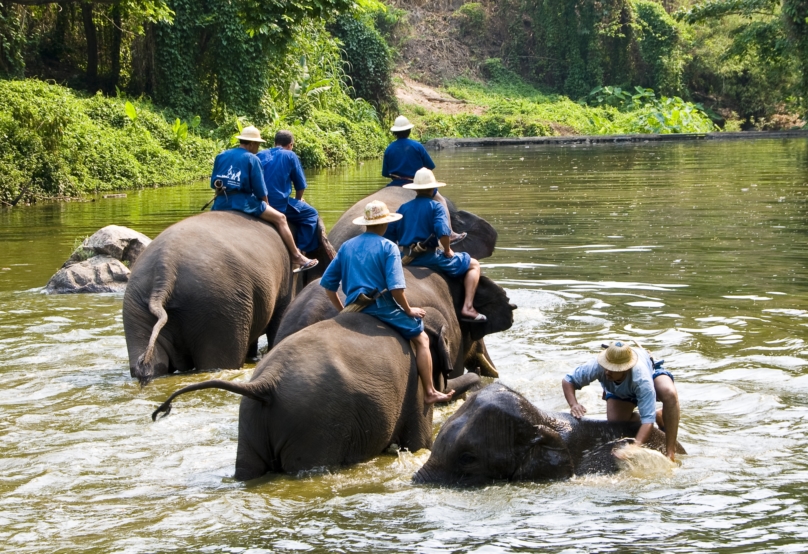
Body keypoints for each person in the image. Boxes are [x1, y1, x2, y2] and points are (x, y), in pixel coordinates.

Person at [320, 200, 454, 405]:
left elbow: (328, 285)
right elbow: (396, 289)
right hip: (382, 308)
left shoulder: (347, 246)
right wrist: (409, 311)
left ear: (366, 223)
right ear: (384, 224)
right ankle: (429, 391)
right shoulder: (388, 247)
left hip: (354, 306)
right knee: (421, 338)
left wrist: (343, 310)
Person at [210, 125, 317, 273]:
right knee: (280, 218)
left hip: (220, 202)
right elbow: (260, 189)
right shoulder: (251, 158)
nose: (258, 148)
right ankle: (296, 256)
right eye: (258, 144)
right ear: (252, 143)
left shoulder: (221, 155)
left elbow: (213, 184)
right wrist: (266, 204)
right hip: (243, 202)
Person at [384, 168, 485, 323]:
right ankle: (468, 307)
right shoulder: (436, 207)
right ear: (433, 188)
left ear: (415, 189)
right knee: (473, 264)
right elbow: (443, 232)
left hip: (406, 256)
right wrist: (448, 250)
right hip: (428, 257)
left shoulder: (403, 208)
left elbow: (389, 237)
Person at [562, 340, 681, 461]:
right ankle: (654, 414)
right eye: (606, 367)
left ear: (625, 369)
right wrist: (574, 404)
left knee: (669, 393)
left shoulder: (642, 379)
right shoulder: (597, 365)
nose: (607, 372)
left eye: (613, 370)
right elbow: (568, 380)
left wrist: (635, 447)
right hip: (620, 391)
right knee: (616, 422)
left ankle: (670, 451)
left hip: (652, 373)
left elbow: (647, 422)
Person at [382, 115, 465, 244]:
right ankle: (450, 233)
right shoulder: (417, 146)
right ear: (409, 131)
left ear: (395, 133)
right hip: (416, 183)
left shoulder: (389, 148)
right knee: (442, 201)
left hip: (396, 182)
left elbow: (386, 173)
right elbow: (430, 166)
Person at [256, 130, 321, 258]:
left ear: (275, 143)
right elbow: (300, 185)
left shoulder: (260, 154)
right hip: (279, 204)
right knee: (311, 214)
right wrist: (298, 200)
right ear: (290, 145)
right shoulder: (290, 156)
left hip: (259, 203)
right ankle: (301, 250)